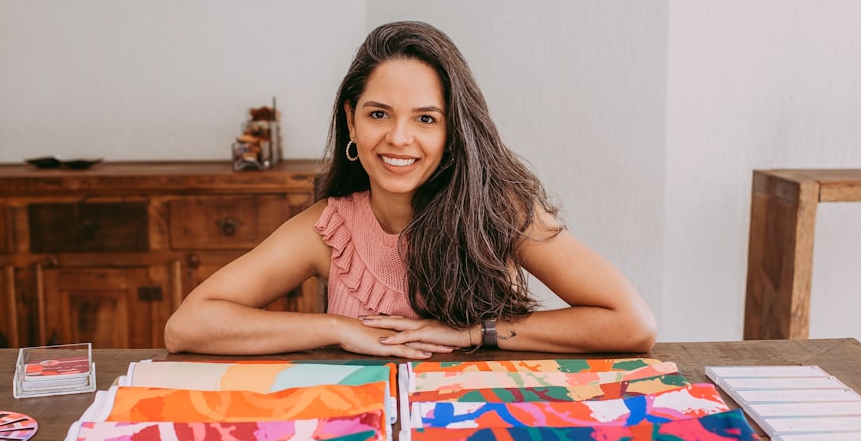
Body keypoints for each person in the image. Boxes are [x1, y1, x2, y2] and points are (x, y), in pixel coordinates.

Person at [165, 21, 656, 359]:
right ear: (351, 121)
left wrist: (471, 333)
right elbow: (189, 326)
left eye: (425, 119)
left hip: (480, 437)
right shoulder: (328, 228)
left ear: (452, 131)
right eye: (379, 114)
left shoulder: (499, 210)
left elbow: (630, 323)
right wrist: (341, 329)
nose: (399, 138)